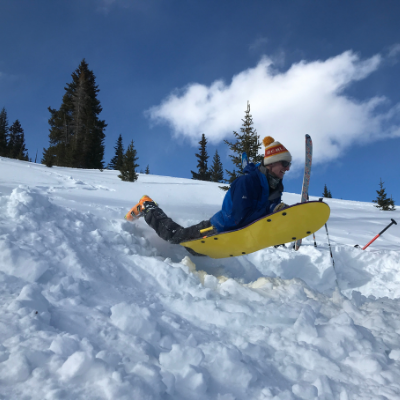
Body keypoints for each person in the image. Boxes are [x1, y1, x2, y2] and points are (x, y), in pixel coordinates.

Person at [125, 136, 292, 246]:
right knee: (175, 237)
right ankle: (147, 206)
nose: (287, 168)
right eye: (284, 163)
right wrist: (271, 213)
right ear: (271, 162)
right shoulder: (247, 182)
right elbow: (240, 217)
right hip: (216, 228)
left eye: (288, 165)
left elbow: (265, 219)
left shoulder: (275, 188)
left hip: (230, 235)